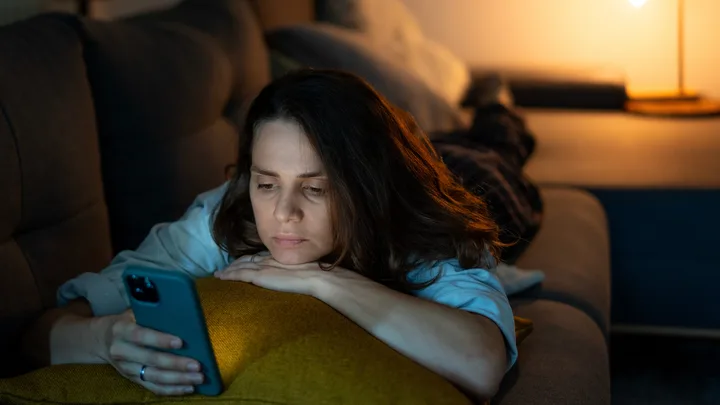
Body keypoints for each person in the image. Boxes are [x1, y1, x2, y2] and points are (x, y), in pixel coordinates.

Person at [22, 69, 516, 402]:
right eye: (266, 182)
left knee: (498, 146)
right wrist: (104, 338)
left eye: (315, 187)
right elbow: (40, 334)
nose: (283, 213)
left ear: (366, 187)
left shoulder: (421, 229)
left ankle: (496, 104)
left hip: (484, 181)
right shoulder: (224, 216)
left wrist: (324, 281)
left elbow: (480, 363)